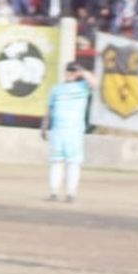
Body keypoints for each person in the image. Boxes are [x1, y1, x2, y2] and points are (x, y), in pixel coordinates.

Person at [42, 62, 93, 203]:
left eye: (73, 71)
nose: (70, 73)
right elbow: (49, 109)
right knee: (56, 161)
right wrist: (44, 127)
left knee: (73, 163)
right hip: (57, 131)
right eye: (68, 71)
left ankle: (71, 193)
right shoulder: (56, 89)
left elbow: (95, 83)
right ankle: (54, 192)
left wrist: (82, 71)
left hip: (74, 132)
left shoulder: (83, 87)